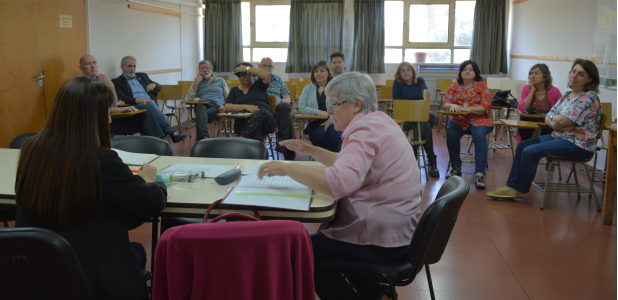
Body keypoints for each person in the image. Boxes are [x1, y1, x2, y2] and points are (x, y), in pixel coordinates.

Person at [258, 72, 422, 300]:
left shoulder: (364, 131)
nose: (329, 111)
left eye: (335, 103)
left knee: (300, 252)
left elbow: (340, 181)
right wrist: (312, 151)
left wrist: (287, 168)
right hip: (398, 229)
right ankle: (375, 291)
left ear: (356, 104)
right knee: (316, 246)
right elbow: (351, 165)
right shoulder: (378, 120)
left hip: (381, 237)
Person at [15, 76, 167, 300]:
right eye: (107, 113)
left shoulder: (31, 151)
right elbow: (152, 202)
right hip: (92, 273)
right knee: (134, 249)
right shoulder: (99, 159)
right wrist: (149, 180)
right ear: (93, 118)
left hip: (41, 270)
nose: (108, 121)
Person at [488, 59, 603, 200]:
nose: (574, 76)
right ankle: (510, 186)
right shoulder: (568, 95)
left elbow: (562, 120)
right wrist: (555, 123)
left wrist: (556, 121)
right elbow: (549, 116)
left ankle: (522, 190)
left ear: (589, 79)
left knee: (530, 152)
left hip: (579, 144)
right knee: (523, 145)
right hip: (560, 136)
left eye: (580, 74)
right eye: (573, 71)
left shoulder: (589, 97)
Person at [79, 54, 166, 139]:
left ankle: (156, 145)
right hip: (97, 123)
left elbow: (114, 104)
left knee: (144, 115)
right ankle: (159, 143)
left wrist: (112, 87)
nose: (92, 66)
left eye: (94, 63)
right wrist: (115, 109)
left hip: (110, 117)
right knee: (145, 117)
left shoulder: (102, 81)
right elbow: (89, 109)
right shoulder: (80, 84)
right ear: (81, 68)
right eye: (88, 64)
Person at [112, 55, 187, 143]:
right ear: (122, 67)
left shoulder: (142, 76)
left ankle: (160, 139)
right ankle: (171, 133)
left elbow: (159, 87)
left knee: (149, 106)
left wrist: (154, 85)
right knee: (149, 105)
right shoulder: (117, 82)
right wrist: (141, 100)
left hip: (151, 105)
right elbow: (122, 98)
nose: (132, 69)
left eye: (134, 66)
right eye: (129, 66)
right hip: (135, 106)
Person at [444, 60, 494, 189]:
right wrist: (452, 105)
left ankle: (479, 173)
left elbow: (485, 107)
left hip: (480, 120)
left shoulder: (481, 86)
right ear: (460, 72)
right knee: (451, 134)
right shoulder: (454, 87)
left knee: (479, 137)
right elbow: (446, 104)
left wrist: (467, 109)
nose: (467, 71)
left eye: (471, 69)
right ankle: (456, 167)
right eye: (465, 69)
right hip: (459, 120)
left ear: (475, 73)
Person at [392, 61, 439, 177]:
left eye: (408, 70)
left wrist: (420, 106)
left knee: (428, 117)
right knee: (427, 126)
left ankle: (413, 160)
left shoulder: (421, 81)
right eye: (402, 71)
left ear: (413, 72)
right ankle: (432, 161)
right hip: (406, 116)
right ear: (399, 74)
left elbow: (425, 99)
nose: (406, 72)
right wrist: (413, 107)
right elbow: (396, 102)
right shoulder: (397, 83)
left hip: (420, 114)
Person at [225, 62, 277, 141]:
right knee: (255, 131)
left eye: (249, 74)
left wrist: (247, 69)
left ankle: (240, 141)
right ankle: (258, 152)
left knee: (260, 112)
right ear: (238, 76)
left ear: (252, 75)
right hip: (243, 122)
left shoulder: (259, 85)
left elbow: (267, 75)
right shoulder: (234, 90)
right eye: (243, 74)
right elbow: (228, 106)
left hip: (266, 121)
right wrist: (246, 107)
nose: (246, 77)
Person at [298, 61, 343, 152]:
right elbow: (301, 107)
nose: (318, 74)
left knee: (333, 138)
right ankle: (322, 161)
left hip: (334, 120)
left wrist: (329, 122)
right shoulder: (308, 88)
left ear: (328, 73)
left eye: (322, 71)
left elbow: (340, 107)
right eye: (316, 71)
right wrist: (318, 112)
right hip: (314, 122)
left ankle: (334, 163)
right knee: (318, 136)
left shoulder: (335, 88)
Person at [256, 57, 295, 160]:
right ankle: (287, 150)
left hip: (277, 110)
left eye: (269, 66)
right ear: (259, 66)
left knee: (285, 106)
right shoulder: (254, 79)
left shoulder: (278, 79)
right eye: (264, 65)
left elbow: (287, 98)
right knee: (288, 120)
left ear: (273, 68)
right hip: (261, 110)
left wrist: (280, 101)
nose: (267, 68)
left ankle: (282, 142)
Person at [517, 63, 562, 141]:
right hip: (529, 123)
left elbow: (556, 113)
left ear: (545, 76)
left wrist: (538, 128)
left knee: (545, 131)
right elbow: (522, 109)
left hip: (547, 124)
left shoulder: (554, 91)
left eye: (537, 74)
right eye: (531, 74)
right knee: (523, 127)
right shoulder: (526, 89)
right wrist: (532, 91)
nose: (533, 76)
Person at [184, 60, 228, 140]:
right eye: (202, 68)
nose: (204, 70)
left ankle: (202, 139)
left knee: (200, 118)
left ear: (211, 70)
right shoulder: (197, 82)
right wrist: (198, 81)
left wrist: (225, 107)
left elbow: (228, 97)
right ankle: (204, 137)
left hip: (217, 106)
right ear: (199, 71)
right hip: (202, 105)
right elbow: (189, 98)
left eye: (207, 68)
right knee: (199, 108)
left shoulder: (221, 81)